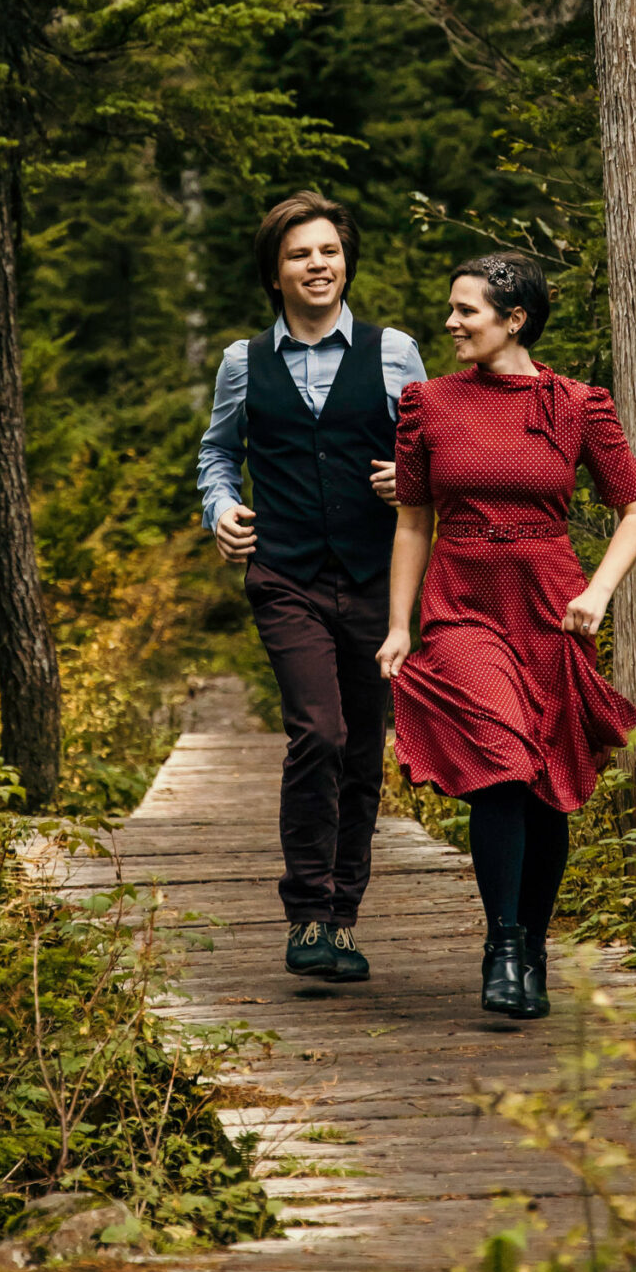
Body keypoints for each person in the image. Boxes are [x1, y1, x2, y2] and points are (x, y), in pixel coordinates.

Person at [380, 254, 636, 1020]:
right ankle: (502, 945)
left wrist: (597, 591)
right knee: (501, 761)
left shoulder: (576, 405)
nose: (450, 323)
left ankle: (532, 949)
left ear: (513, 320)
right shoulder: (427, 404)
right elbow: (412, 521)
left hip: (550, 609)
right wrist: (399, 625)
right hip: (461, 605)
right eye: (451, 308)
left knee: (546, 789)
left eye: (465, 310)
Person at [198, 192, 427, 983]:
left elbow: (429, 455)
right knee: (318, 733)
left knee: (363, 750)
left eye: (327, 251)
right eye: (299, 254)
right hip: (287, 574)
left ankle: (341, 920)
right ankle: (305, 914)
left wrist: (411, 478)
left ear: (345, 261)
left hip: (376, 580)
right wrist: (221, 509)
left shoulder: (394, 352)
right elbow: (217, 454)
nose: (317, 264)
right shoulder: (241, 362)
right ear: (274, 274)